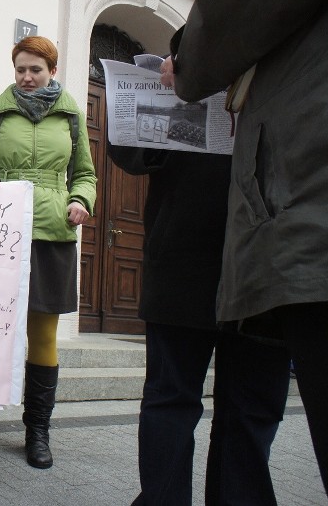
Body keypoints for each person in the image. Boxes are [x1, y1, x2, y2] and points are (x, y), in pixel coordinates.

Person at [161, 0, 328, 501]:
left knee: (252, 410)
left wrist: (189, 62)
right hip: (203, 262)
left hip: (305, 222)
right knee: (175, 398)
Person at [109, 108, 290, 502]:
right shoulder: (184, 69)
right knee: (171, 401)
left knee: (251, 411)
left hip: (271, 258)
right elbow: (128, 151)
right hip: (184, 257)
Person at [0, 36, 97, 468]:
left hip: (53, 233)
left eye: (35, 70)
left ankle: (37, 433)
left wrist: (80, 200)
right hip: (1, 230)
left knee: (42, 335)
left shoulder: (72, 117)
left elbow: (85, 174)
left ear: (52, 72)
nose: (26, 77)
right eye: (20, 69)